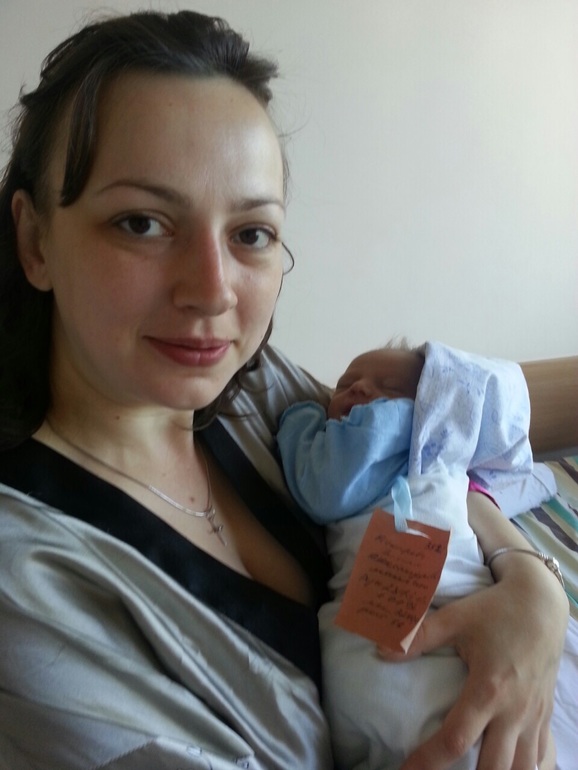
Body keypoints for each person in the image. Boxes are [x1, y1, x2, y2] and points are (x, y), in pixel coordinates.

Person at [0, 9, 568, 770]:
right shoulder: (32, 581)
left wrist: (532, 584)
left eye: (250, 234)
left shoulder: (258, 391)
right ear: (36, 240)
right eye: (141, 223)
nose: (212, 291)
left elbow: (422, 460)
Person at [277, 341, 562, 769]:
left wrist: (301, 418)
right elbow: (324, 485)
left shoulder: (438, 458)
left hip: (468, 604)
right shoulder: (354, 459)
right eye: (345, 384)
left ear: (434, 406)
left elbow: (513, 483)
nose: (360, 389)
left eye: (391, 388)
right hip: (383, 627)